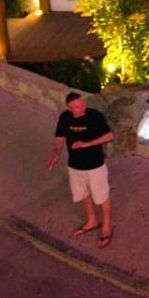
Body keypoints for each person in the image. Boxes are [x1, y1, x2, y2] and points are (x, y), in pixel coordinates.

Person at [47, 92, 114, 247]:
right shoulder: (65, 118)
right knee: (83, 194)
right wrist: (56, 153)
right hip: (75, 166)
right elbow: (59, 138)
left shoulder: (94, 116)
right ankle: (92, 220)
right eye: (77, 106)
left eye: (82, 103)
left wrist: (88, 143)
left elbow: (109, 136)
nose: (81, 107)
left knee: (101, 197)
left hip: (95, 166)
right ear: (69, 108)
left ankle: (106, 227)